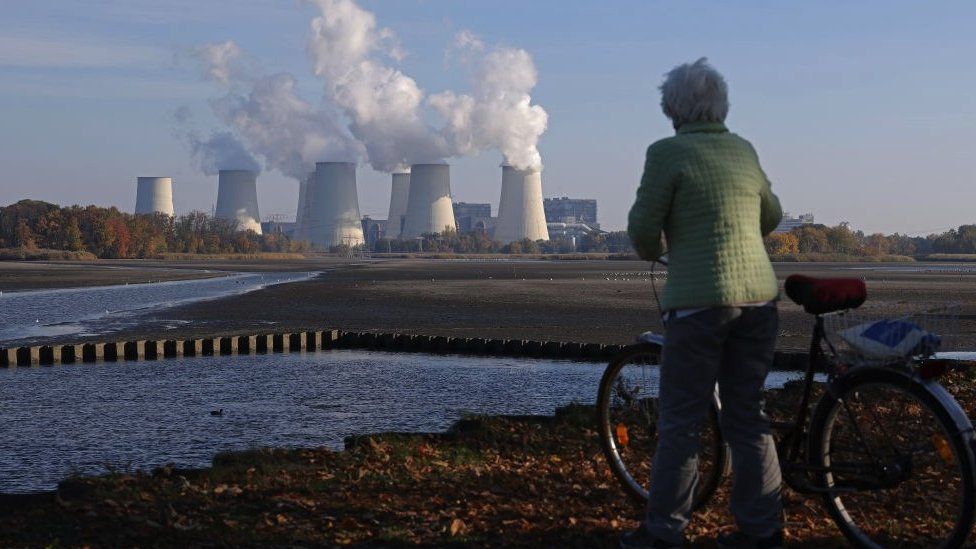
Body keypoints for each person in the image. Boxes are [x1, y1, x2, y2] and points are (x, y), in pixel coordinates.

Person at [620, 58, 785, 549]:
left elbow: (643, 232)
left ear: (672, 108)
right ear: (721, 104)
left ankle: (664, 531)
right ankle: (762, 531)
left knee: (682, 421)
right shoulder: (743, 150)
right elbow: (772, 215)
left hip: (698, 304)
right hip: (759, 299)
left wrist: (663, 249)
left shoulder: (667, 153)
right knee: (748, 415)